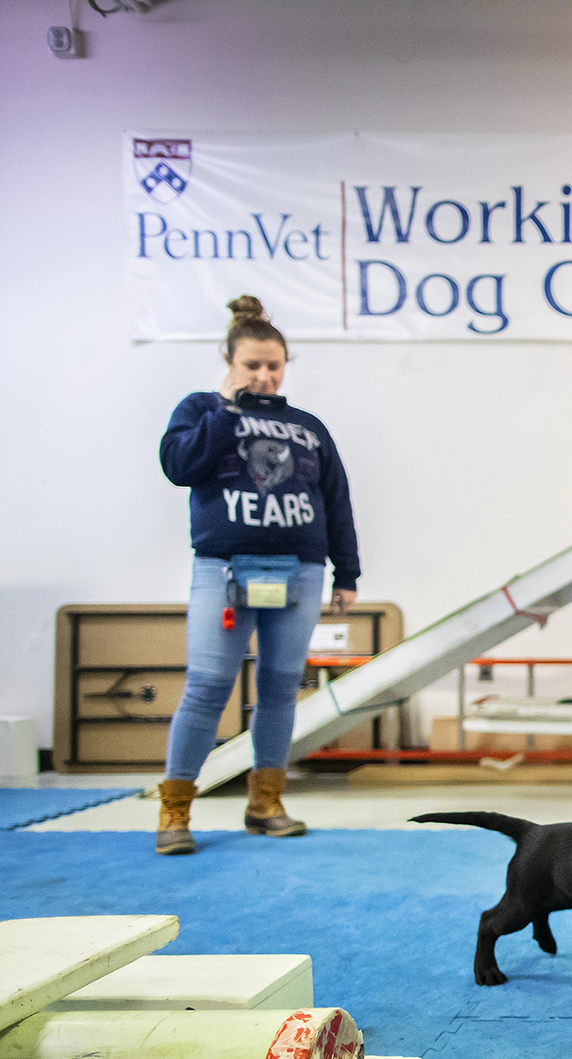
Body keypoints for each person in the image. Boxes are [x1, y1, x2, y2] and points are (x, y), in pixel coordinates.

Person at [154, 296, 361, 855]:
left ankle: (265, 803)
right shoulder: (200, 411)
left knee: (278, 691)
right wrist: (225, 411)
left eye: (274, 365)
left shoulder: (308, 427)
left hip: (300, 573)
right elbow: (179, 468)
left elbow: (336, 501)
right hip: (221, 571)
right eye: (252, 365)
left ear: (286, 364)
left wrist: (348, 575)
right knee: (207, 688)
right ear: (229, 361)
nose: (264, 376)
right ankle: (174, 812)